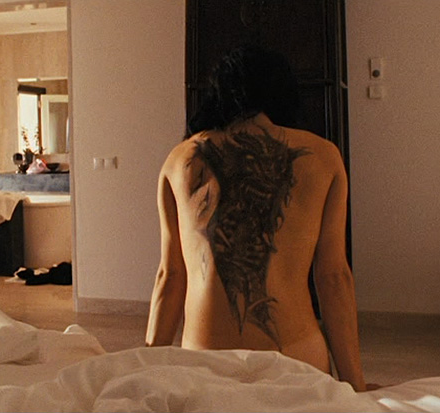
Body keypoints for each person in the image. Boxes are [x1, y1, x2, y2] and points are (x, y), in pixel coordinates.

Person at [145, 44, 367, 392]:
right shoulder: (323, 157)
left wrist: (145, 370)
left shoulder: (180, 160)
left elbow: (169, 276)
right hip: (296, 362)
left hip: (204, 365)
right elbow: (333, 277)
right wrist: (356, 387)